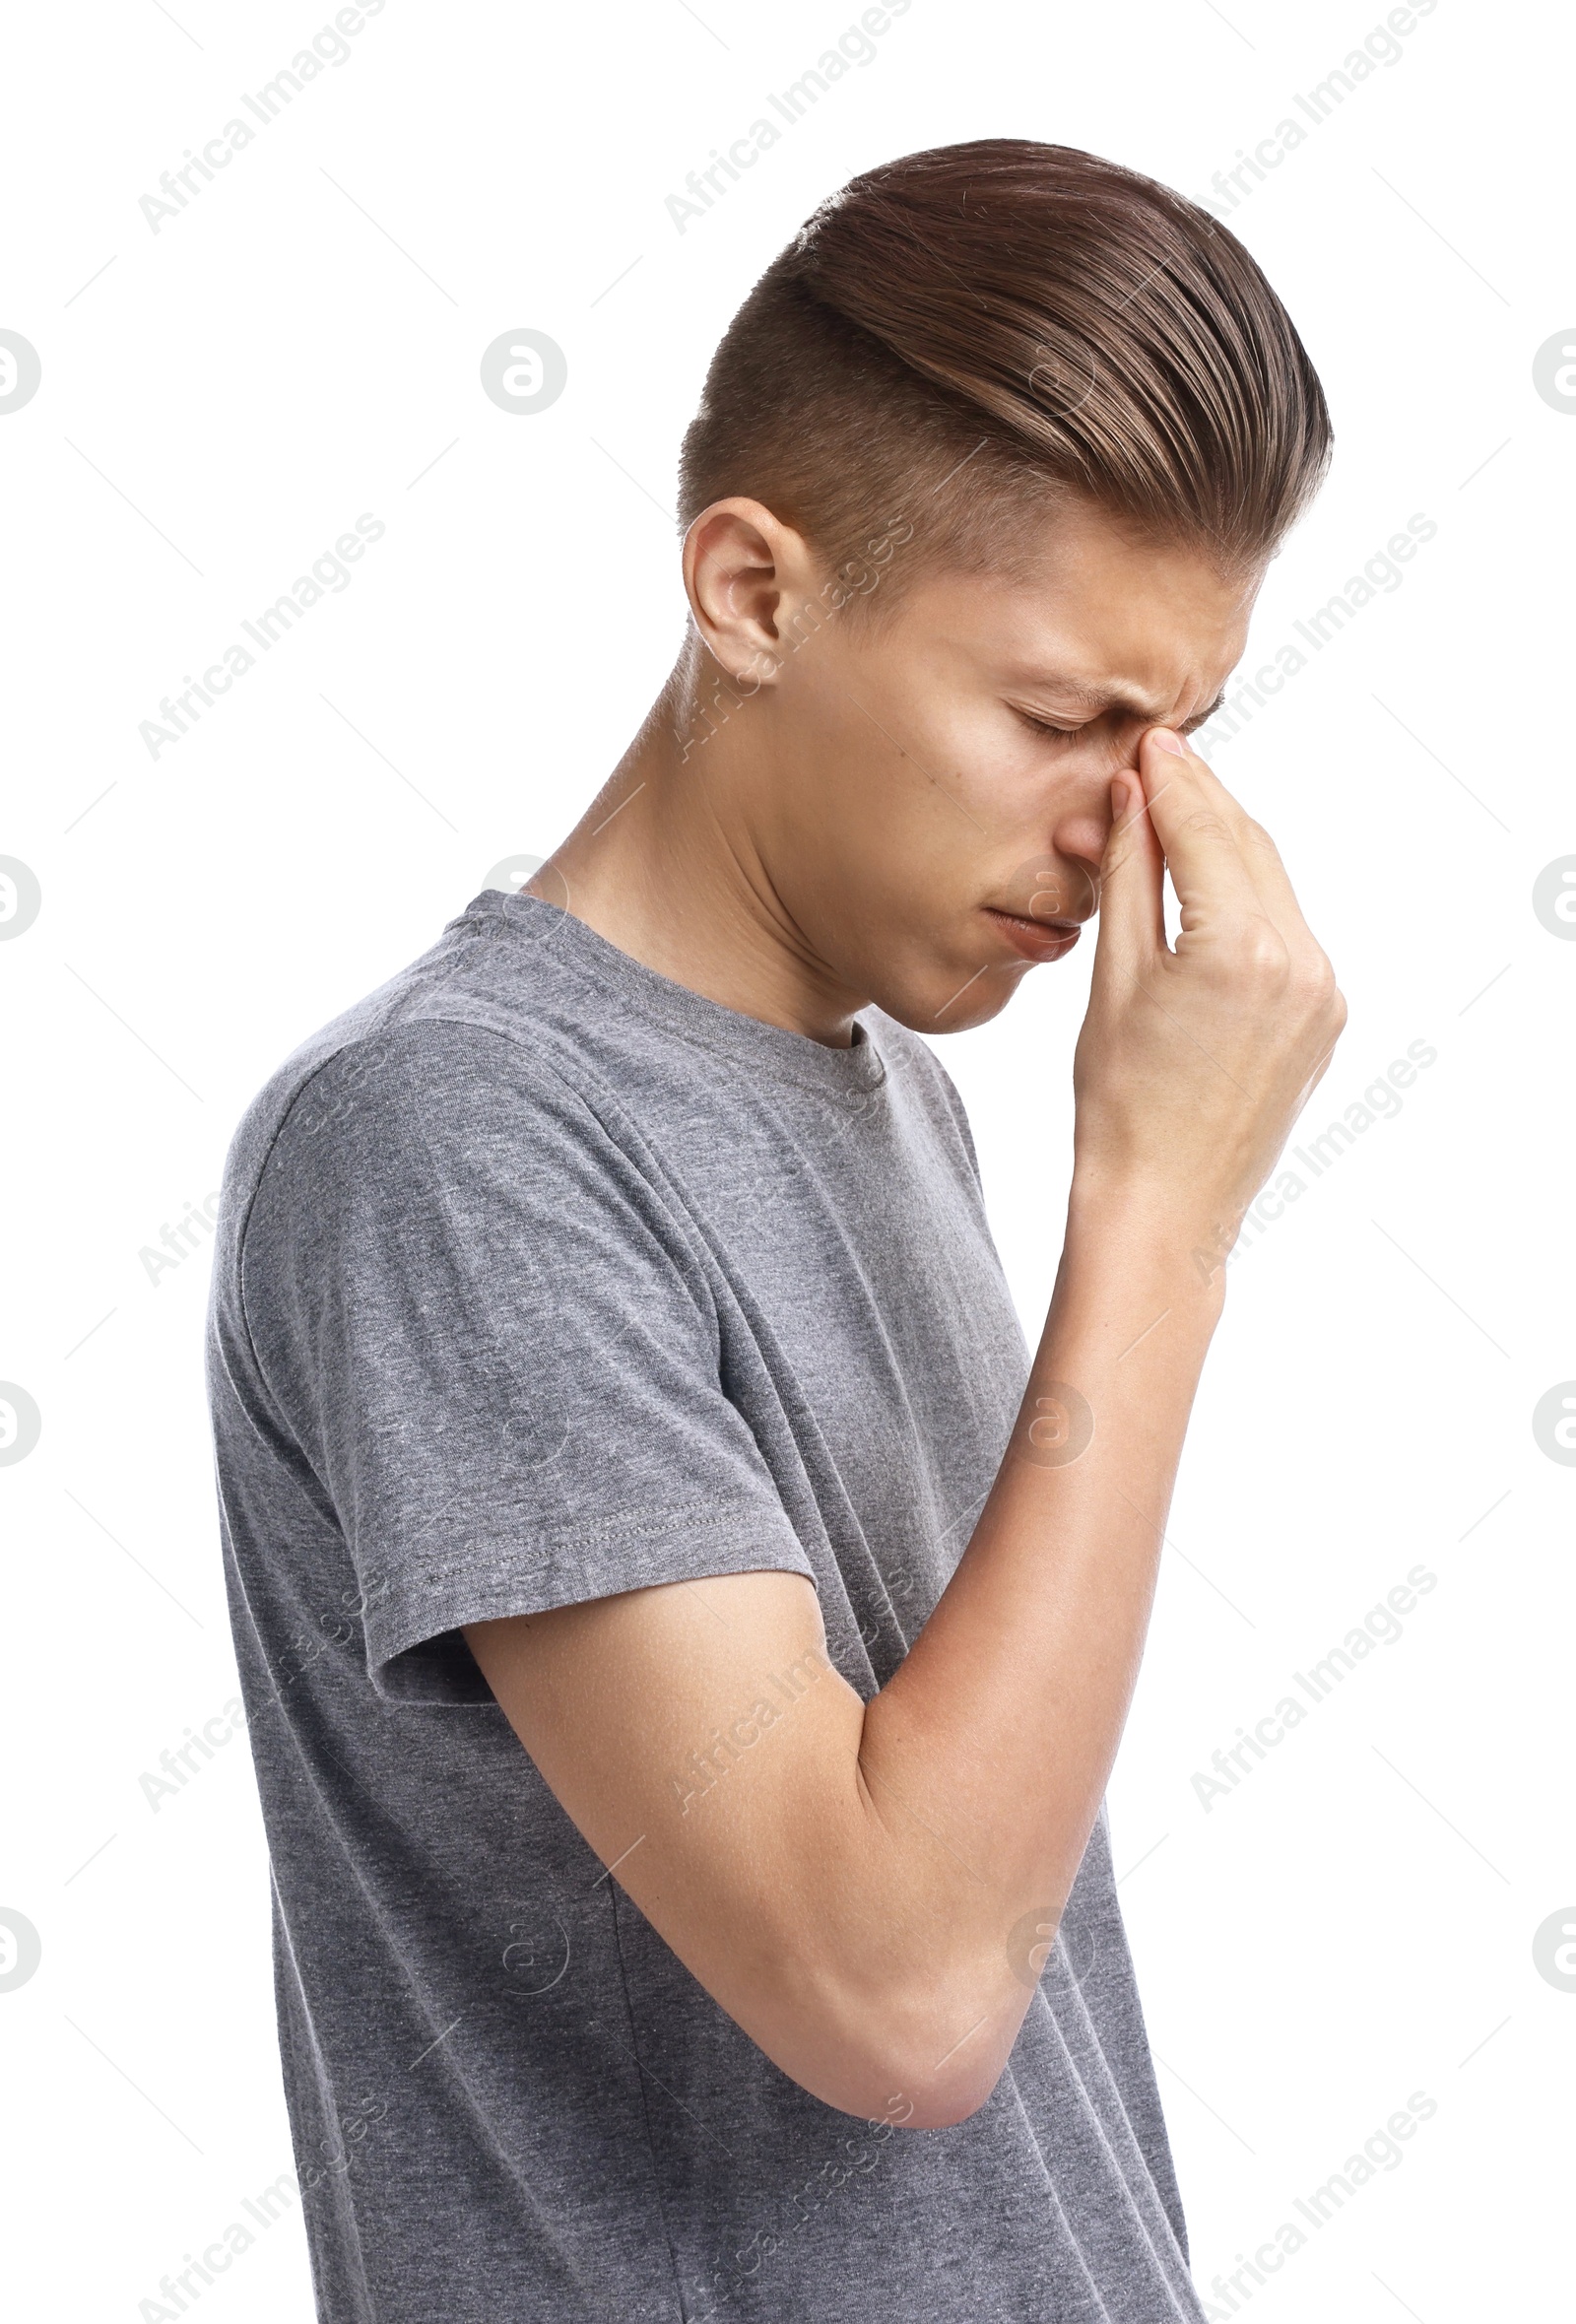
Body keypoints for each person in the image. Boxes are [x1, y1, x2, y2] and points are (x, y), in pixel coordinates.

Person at [207, 137, 1344, 2323]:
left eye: (1178, 736)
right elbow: (897, 1988)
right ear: (749, 590)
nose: (1130, 839)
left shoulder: (894, 1096)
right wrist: (1161, 1221)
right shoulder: (455, 1141)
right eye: (1057, 720)